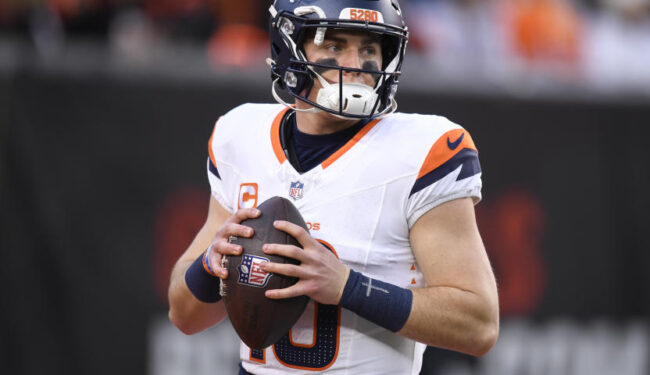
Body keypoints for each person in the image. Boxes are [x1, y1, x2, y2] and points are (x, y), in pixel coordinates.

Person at [167, 1, 499, 373]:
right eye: (335, 45)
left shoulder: (424, 149)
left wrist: (348, 286)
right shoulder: (241, 135)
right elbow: (184, 315)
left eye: (370, 49)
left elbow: (478, 324)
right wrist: (210, 267)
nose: (356, 64)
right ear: (288, 49)